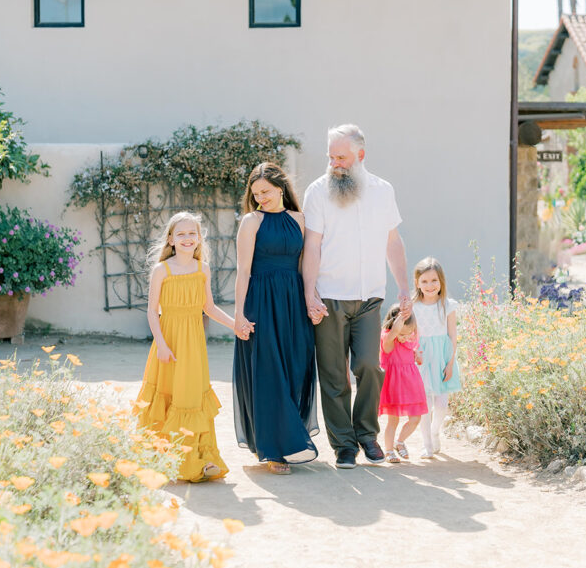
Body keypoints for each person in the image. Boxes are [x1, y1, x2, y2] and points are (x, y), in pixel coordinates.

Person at [302, 123, 412, 469]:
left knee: (368, 365)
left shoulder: (383, 191)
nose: (334, 163)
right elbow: (313, 245)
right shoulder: (318, 191)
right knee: (334, 375)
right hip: (330, 297)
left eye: (342, 157)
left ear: (360, 155)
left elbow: (393, 242)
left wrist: (404, 286)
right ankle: (344, 446)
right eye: (331, 156)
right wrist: (310, 293)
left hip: (370, 298)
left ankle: (367, 435)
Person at [134, 211, 254, 483]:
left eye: (192, 233)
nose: (188, 238)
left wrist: (235, 325)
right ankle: (160, 458)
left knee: (191, 398)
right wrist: (161, 345)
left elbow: (208, 308)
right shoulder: (161, 270)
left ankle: (201, 460)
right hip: (169, 344)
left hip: (194, 346)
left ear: (199, 239)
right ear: (171, 239)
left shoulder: (203, 269)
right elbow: (153, 312)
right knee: (167, 396)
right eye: (181, 234)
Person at [232, 162, 319, 475]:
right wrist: (238, 315)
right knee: (268, 373)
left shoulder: (300, 220)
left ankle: (286, 439)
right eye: (255, 194)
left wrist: (312, 299)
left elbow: (306, 265)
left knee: (295, 367)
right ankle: (275, 451)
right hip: (261, 302)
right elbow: (243, 271)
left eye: (265, 192)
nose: (260, 199)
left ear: (280, 188)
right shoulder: (250, 222)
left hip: (293, 302)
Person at [412, 257, 462, 458]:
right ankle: (427, 444)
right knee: (424, 403)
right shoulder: (414, 305)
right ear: (417, 283)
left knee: (441, 404)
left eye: (434, 280)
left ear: (441, 281)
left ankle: (435, 432)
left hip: (442, 357)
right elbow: (411, 333)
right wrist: (414, 353)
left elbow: (452, 336)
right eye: (424, 281)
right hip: (422, 358)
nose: (430, 285)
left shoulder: (447, 305)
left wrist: (450, 363)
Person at [378, 303, 428, 462]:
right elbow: (391, 338)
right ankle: (388, 450)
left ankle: (399, 442)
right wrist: (398, 324)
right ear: (394, 327)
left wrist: (417, 356)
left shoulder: (410, 339)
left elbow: (414, 351)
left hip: (411, 383)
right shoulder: (389, 339)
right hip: (394, 385)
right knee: (393, 420)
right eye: (403, 334)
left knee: (415, 418)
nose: (407, 337)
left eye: (410, 333)